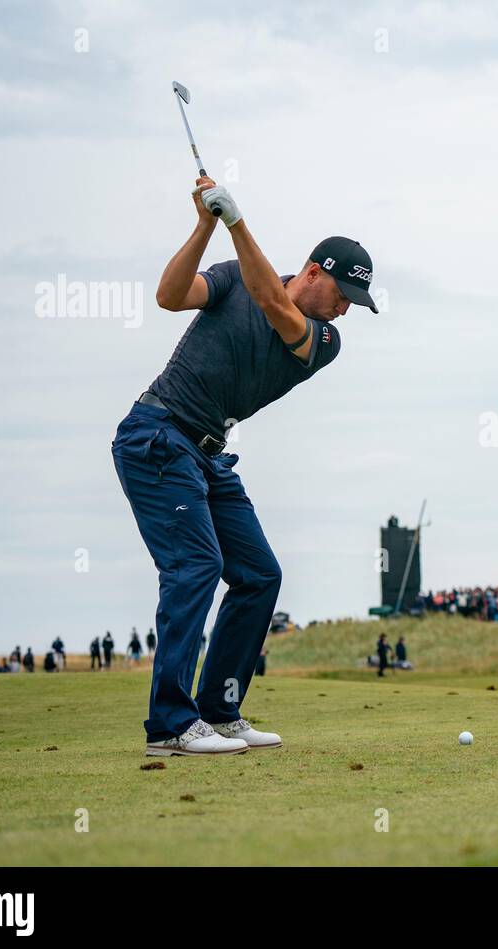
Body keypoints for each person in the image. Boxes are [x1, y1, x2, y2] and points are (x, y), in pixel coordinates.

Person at [111, 175, 377, 757]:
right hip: (156, 435)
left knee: (259, 574)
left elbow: (274, 306)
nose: (343, 311)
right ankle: (170, 727)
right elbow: (169, 295)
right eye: (342, 296)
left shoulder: (322, 339)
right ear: (314, 271)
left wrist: (236, 222)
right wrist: (207, 225)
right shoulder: (233, 278)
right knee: (196, 567)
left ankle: (219, 710)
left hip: (207, 455)